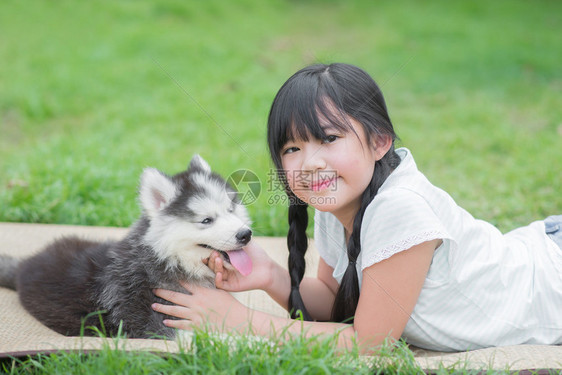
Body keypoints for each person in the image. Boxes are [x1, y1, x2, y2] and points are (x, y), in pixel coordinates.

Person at [152, 63, 562, 353]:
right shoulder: (342, 203)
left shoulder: (399, 207)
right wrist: (270, 275)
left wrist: (240, 320)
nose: (310, 162)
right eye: (292, 148)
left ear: (380, 141)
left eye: (329, 138)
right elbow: (337, 302)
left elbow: (370, 342)